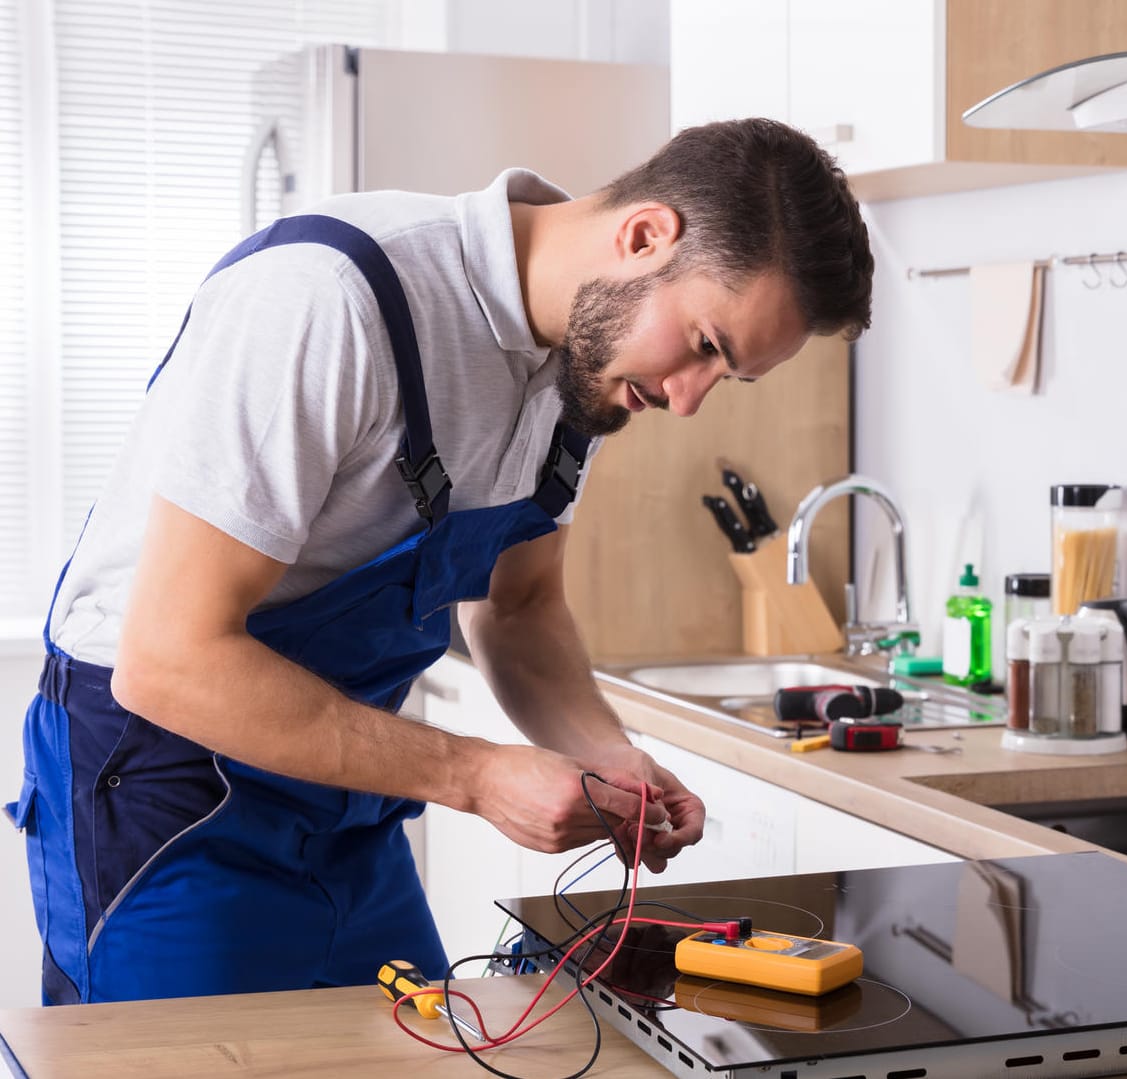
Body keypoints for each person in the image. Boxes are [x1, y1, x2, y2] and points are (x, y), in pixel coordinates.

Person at [8, 117, 875, 1005]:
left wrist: (611, 758)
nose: (689, 401)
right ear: (645, 236)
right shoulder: (328, 299)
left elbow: (522, 607)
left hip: (346, 807)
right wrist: (476, 773)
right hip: (166, 794)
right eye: (705, 346)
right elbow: (169, 661)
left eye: (727, 377)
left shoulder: (583, 368)